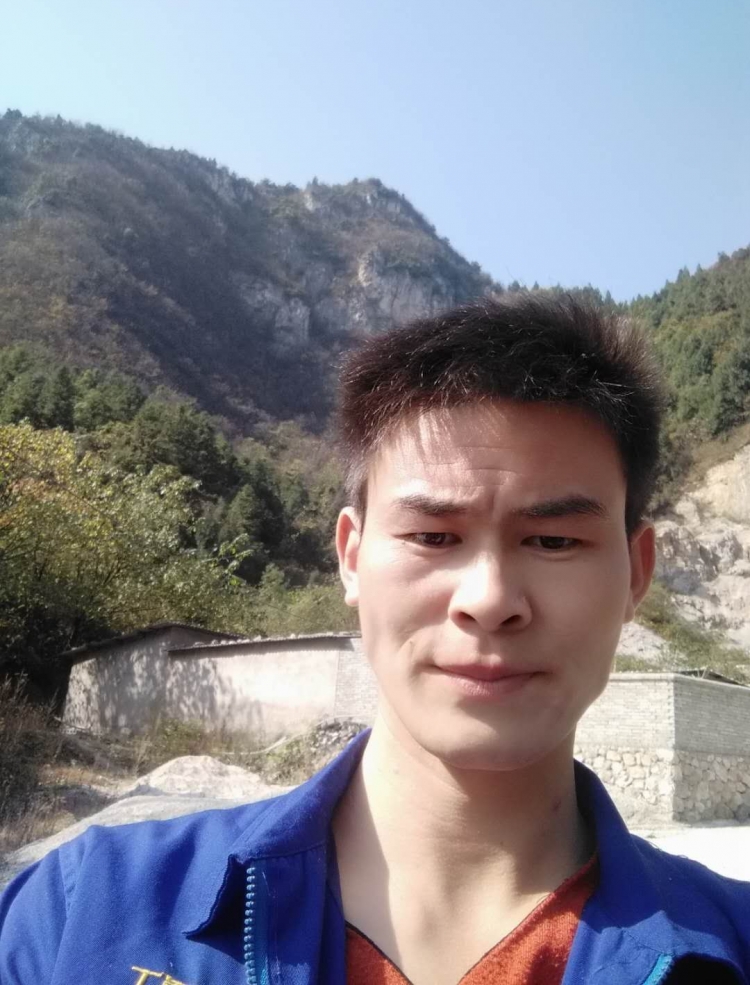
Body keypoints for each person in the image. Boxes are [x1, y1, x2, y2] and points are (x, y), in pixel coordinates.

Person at [1, 294, 748, 985]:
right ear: (352, 558)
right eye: (432, 536)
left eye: (554, 541)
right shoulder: (82, 912)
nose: (489, 601)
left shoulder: (729, 947)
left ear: (636, 573)